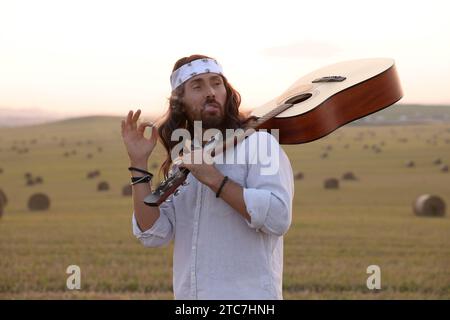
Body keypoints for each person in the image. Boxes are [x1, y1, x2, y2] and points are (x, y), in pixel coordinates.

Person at [120, 54, 294, 300]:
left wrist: (214, 178)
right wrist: (138, 163)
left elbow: (278, 217)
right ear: (179, 101)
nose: (210, 91)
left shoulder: (260, 145)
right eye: (197, 86)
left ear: (226, 91)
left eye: (216, 83)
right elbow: (154, 233)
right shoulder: (183, 160)